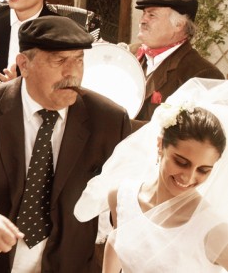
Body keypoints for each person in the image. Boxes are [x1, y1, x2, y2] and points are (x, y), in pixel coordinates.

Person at [0, 16, 132, 272]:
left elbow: (129, 197)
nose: (72, 73)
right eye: (59, 61)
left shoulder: (109, 120)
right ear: (24, 64)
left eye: (79, 60)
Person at [74, 78, 228, 272]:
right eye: (181, 162)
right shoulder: (121, 196)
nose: (189, 178)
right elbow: (117, 240)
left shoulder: (213, 230)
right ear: (160, 145)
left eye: (203, 170)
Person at [132, 0, 223, 123]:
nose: (142, 20)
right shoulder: (128, 53)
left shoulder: (202, 74)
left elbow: (197, 132)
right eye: (144, 13)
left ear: (179, 25)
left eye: (151, 15)